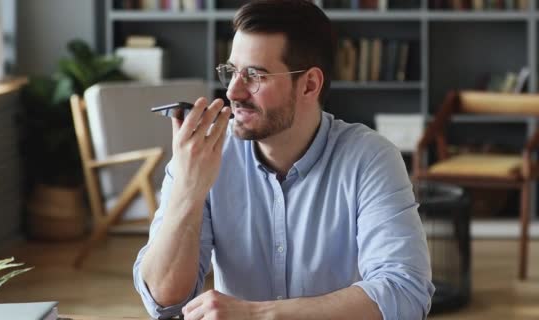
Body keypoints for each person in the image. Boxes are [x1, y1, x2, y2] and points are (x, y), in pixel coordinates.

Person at [133, 0, 434, 319]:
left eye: (255, 76)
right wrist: (187, 190)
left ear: (309, 85)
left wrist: (258, 315)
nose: (233, 92)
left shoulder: (370, 159)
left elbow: (405, 292)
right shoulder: (202, 156)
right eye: (232, 72)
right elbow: (164, 302)